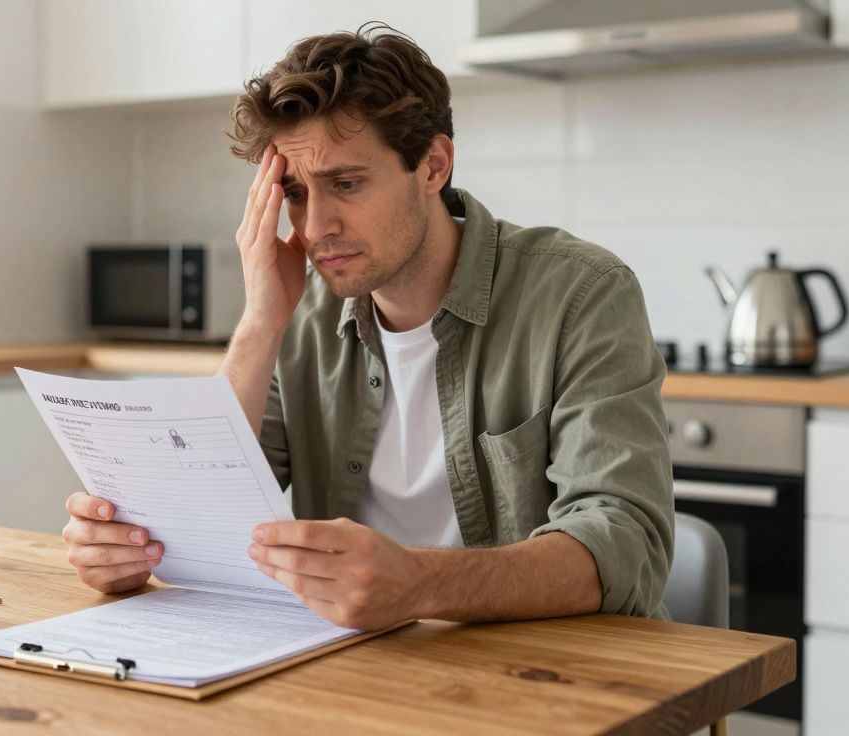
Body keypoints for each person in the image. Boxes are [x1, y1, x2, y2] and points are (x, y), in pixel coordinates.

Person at [61, 24, 674, 630]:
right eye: (294, 193)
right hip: (359, 669)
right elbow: (193, 516)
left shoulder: (581, 291)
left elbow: (626, 544)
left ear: (433, 165)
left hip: (547, 675)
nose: (315, 225)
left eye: (345, 184)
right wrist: (257, 323)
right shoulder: (299, 311)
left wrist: (418, 584)